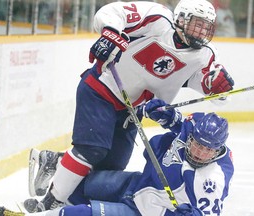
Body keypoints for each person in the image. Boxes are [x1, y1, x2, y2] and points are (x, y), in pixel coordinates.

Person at [18, 0, 235, 212]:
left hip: (132, 110)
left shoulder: (205, 54)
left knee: (110, 167)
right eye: (197, 24)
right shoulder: (157, 18)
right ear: (181, 19)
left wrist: (217, 88)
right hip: (102, 88)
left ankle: (56, 162)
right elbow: (112, 11)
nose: (202, 31)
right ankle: (52, 201)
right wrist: (111, 32)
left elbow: (209, 88)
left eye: (206, 27)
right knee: (92, 150)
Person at [0, 102, 234, 216]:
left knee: (81, 214)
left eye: (207, 150)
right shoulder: (197, 126)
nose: (199, 152)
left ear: (217, 150)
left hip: (147, 212)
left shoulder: (212, 180)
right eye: (197, 144)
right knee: (80, 185)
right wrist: (162, 114)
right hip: (139, 184)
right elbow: (178, 121)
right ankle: (56, 169)